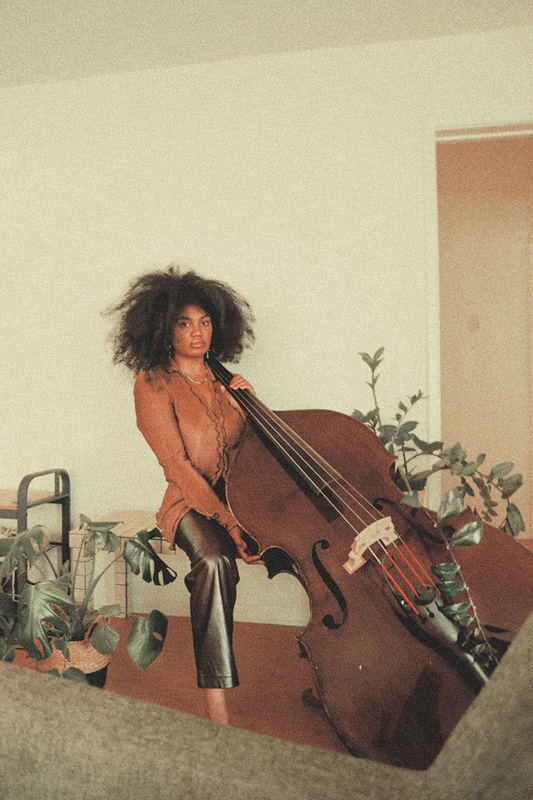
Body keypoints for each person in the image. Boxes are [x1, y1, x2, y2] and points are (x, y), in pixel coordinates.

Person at [107, 266, 263, 724]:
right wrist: (230, 525)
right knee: (215, 563)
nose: (197, 333)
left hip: (241, 499)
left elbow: (249, 454)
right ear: (162, 327)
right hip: (188, 503)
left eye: (204, 322)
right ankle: (216, 699)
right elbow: (177, 466)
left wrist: (251, 405)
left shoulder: (225, 378)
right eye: (183, 323)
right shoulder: (153, 382)